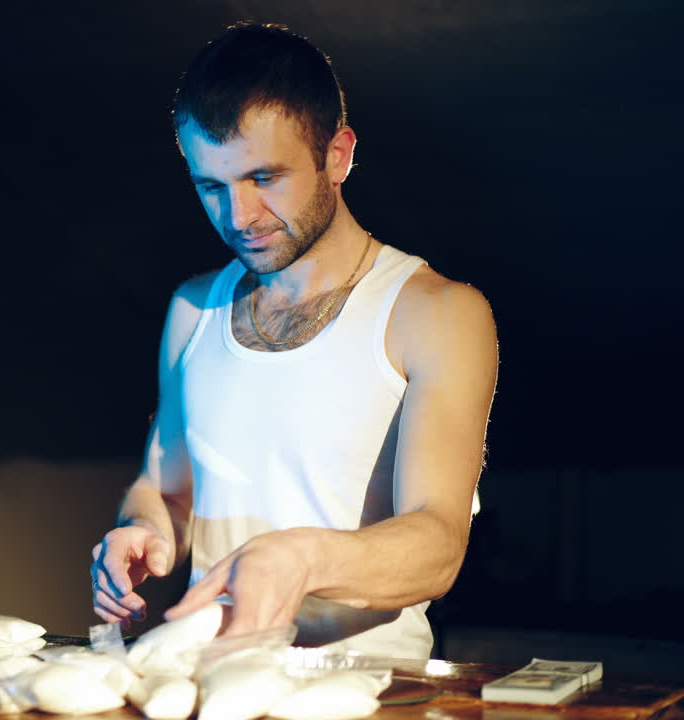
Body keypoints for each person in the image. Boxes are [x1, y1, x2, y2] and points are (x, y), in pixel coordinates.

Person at [89, 22, 497, 659]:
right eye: (211, 187)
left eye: (265, 178)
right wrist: (141, 531)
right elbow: (164, 488)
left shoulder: (436, 312)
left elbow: (438, 545)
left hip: (367, 691)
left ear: (338, 154)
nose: (239, 216)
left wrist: (300, 558)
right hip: (205, 681)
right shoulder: (193, 310)